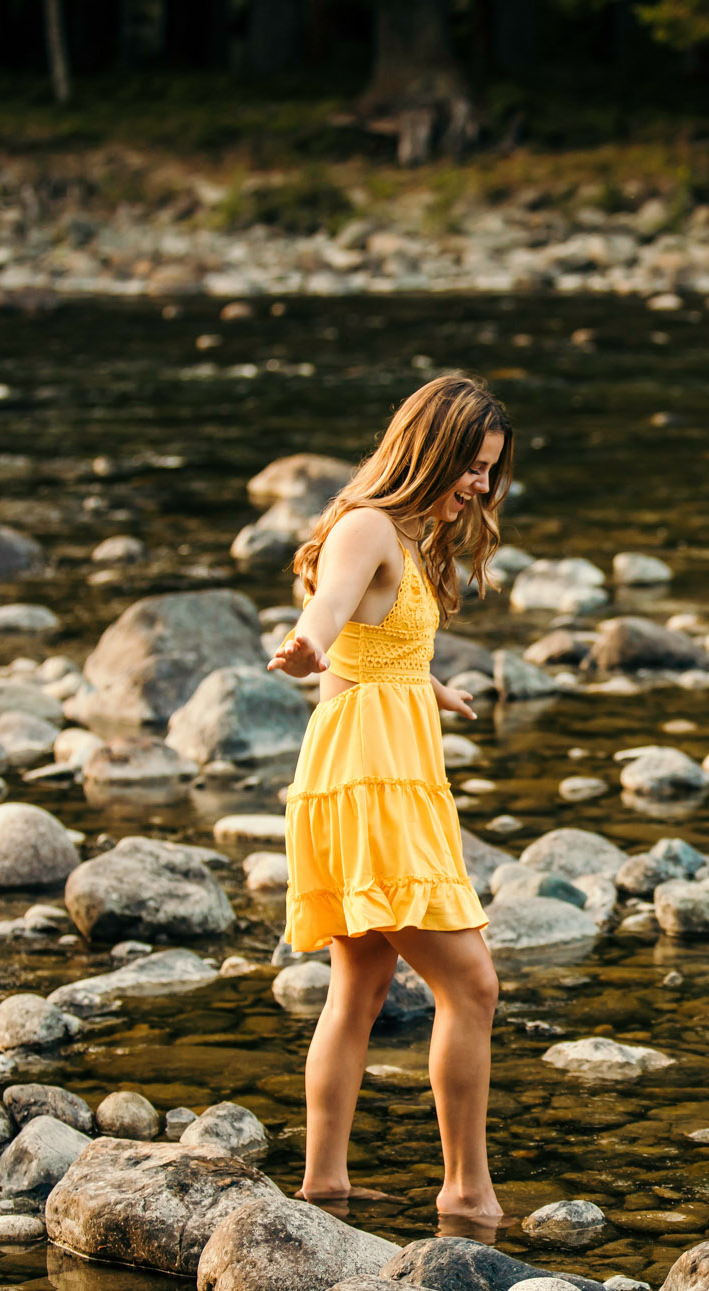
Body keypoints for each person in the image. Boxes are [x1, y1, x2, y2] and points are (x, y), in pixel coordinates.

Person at [267, 374, 512, 1222]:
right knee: (471, 983)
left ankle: (325, 1183)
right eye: (473, 466)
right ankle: (468, 1193)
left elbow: (374, 645)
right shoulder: (367, 526)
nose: (480, 484)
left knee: (361, 984)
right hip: (368, 782)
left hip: (372, 770)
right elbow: (331, 613)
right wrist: (304, 644)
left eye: (488, 471)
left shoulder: (404, 536)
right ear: (430, 449)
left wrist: (427, 684)